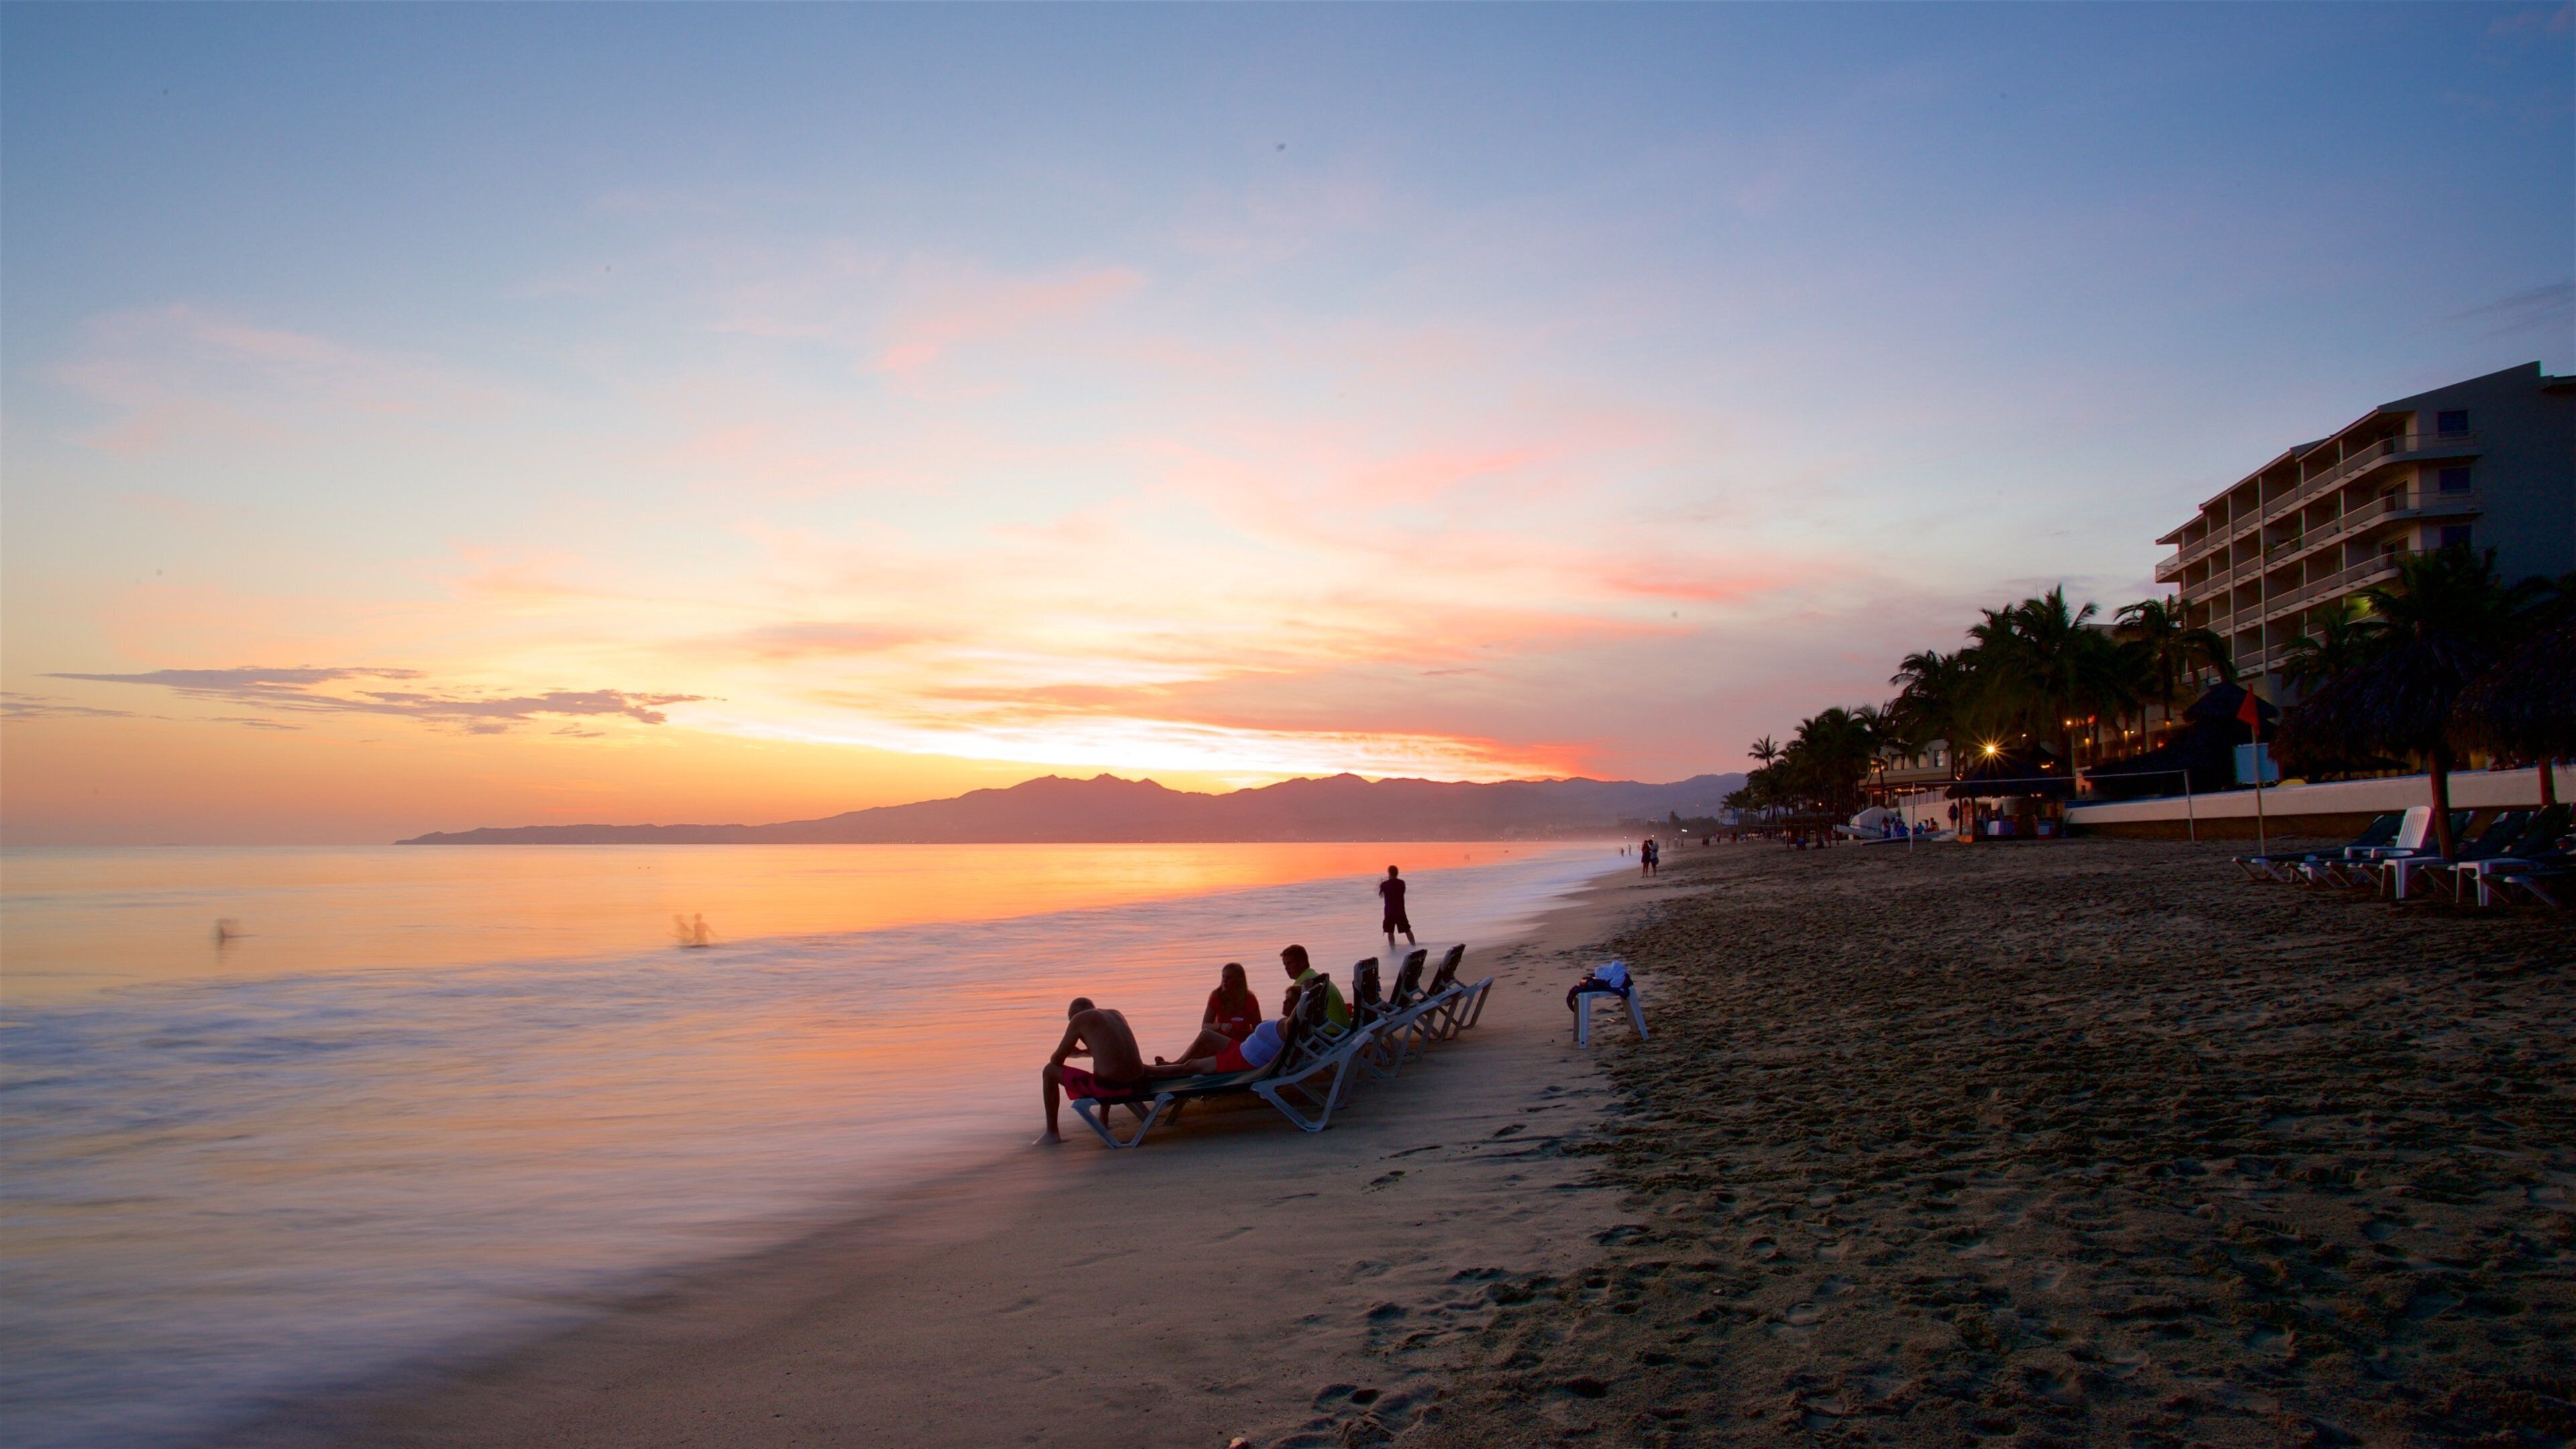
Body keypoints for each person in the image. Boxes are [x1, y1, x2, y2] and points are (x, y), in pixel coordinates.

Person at [1037, 997, 1148, 1144]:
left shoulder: (1079, 1019)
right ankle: (1104, 1120)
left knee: (1049, 1071)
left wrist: (1069, 1052)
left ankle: (1052, 1134)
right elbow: (1111, 1057)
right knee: (1104, 1069)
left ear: (1075, 1013)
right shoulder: (1115, 1015)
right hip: (1137, 1084)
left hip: (1114, 1088)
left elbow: (1056, 1060)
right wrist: (1084, 1053)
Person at [1277, 944, 1351, 1031]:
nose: (1286, 968)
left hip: (1329, 1033)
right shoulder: (1316, 978)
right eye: (1285, 965)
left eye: (1290, 963)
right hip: (1342, 1029)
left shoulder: (1304, 984)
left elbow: (1293, 1020)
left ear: (1302, 963)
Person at [1202, 962, 1260, 1042]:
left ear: (1238, 980)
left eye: (1229, 978)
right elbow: (1205, 1026)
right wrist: (1221, 1026)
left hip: (1243, 1040)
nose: (1224, 981)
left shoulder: (1249, 999)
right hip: (1221, 1038)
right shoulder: (1217, 996)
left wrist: (1245, 1031)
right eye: (1223, 977)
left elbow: (1258, 1027)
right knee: (1204, 1035)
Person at [1377, 865, 1416, 951]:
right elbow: (1403, 892)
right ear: (1397, 873)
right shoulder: (1402, 883)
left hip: (1389, 912)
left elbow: (1381, 896)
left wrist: (1381, 885)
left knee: (1390, 931)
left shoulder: (1385, 885)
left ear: (1389, 873)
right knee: (1407, 929)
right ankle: (1414, 946)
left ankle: (1393, 950)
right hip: (1400, 910)